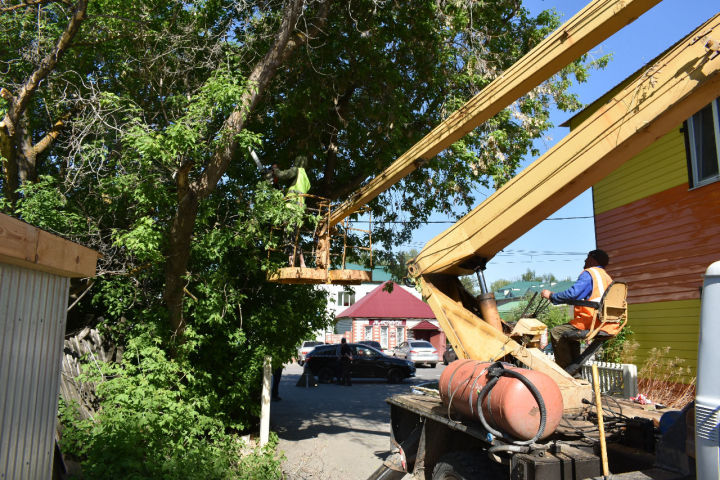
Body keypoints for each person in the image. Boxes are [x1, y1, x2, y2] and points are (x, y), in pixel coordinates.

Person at [540, 249, 614, 369]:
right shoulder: (606, 277)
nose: (585, 260)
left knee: (556, 332)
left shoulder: (590, 273)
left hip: (592, 321)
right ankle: (574, 372)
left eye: (587, 257)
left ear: (592, 259)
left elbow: (573, 294)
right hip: (607, 323)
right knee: (570, 335)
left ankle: (565, 372)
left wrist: (551, 296)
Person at [267, 156, 311, 267]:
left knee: (289, 237)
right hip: (299, 210)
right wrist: (276, 186)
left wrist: (275, 169)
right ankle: (302, 263)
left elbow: (283, 175)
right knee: (294, 236)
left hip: (291, 208)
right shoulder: (305, 178)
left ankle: (291, 263)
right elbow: (291, 191)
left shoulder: (296, 170)